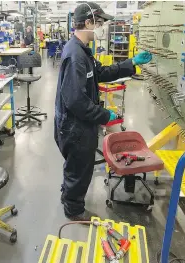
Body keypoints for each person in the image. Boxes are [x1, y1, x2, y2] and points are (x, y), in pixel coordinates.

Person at [54, 2, 153, 221]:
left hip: (79, 124)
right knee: (80, 169)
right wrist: (104, 115)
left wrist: (131, 63)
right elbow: (75, 101)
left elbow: (102, 72)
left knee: (76, 167)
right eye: (99, 23)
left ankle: (69, 197)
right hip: (75, 126)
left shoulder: (82, 51)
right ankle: (74, 211)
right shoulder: (75, 56)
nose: (101, 27)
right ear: (88, 22)